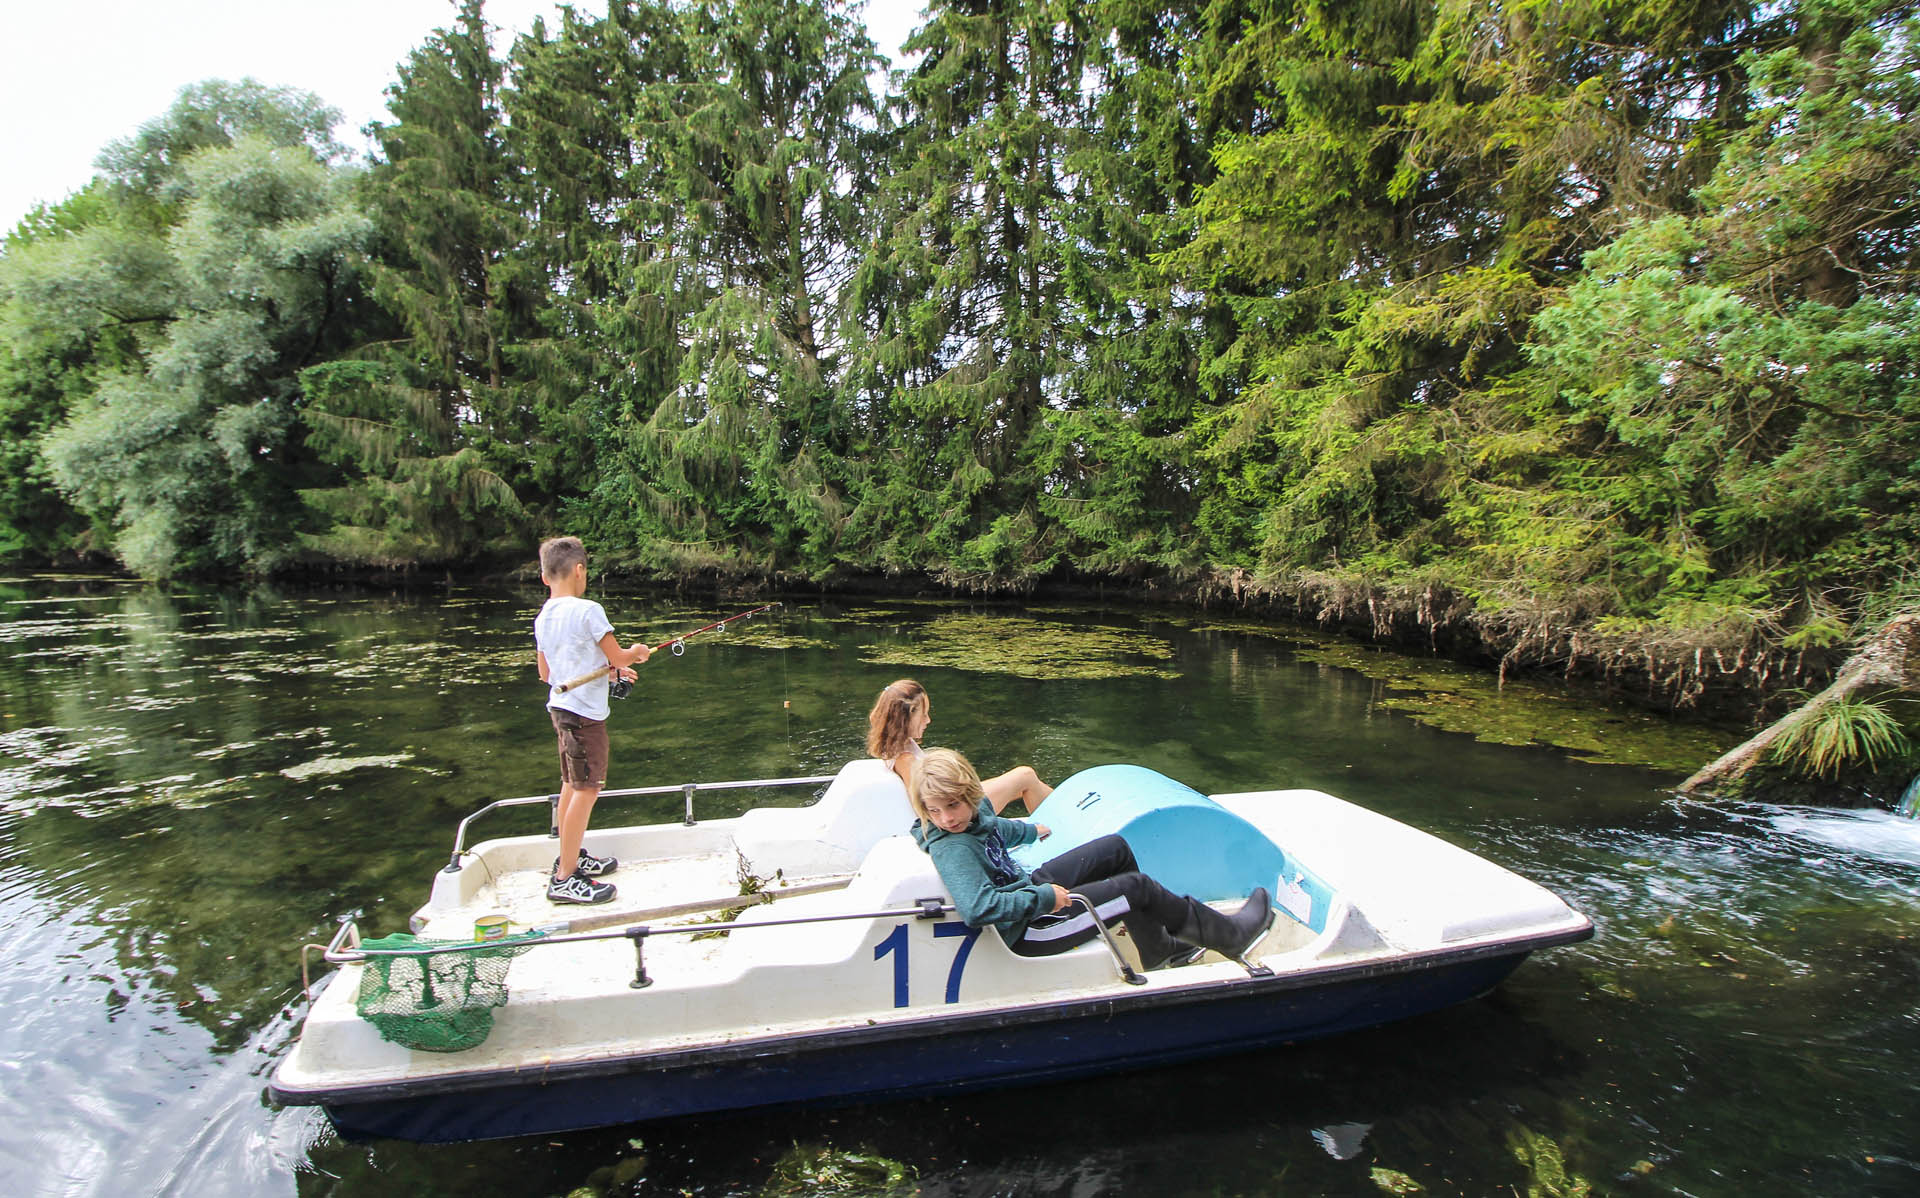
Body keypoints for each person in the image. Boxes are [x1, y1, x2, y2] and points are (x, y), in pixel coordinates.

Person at [908, 748, 1274, 970]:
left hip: (1025, 889)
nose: (946, 818)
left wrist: (1031, 831)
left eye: (953, 805)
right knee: (1136, 889)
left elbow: (992, 826)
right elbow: (978, 908)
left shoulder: (974, 813)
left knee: (1115, 847)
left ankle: (1158, 948)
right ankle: (1229, 937)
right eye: (934, 811)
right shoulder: (952, 846)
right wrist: (1046, 898)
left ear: (971, 793)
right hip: (1027, 930)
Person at [533, 536, 652, 904]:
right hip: (585, 716)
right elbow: (619, 657)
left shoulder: (543, 617)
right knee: (587, 789)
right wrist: (636, 653)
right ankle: (565, 878)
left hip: (562, 709)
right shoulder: (588, 610)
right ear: (580, 570)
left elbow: (546, 673)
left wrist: (608, 674)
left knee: (572, 782)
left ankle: (569, 855)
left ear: (544, 576)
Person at [867, 679, 1051, 814]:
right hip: (960, 811)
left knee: (1024, 785)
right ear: (905, 719)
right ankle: (1062, 823)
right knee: (1025, 775)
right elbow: (924, 803)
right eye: (923, 715)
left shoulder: (897, 746)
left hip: (957, 799)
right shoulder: (905, 759)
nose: (928, 720)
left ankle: (1066, 808)